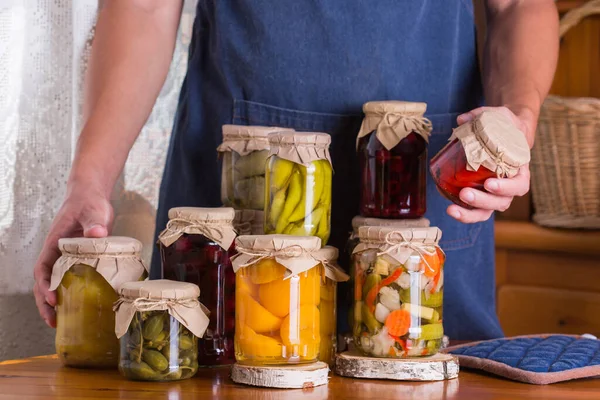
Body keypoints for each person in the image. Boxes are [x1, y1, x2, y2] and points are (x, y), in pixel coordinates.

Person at [33, 0, 558, 341]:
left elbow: (520, 7)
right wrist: (89, 183)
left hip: (424, 196)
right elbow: (145, 8)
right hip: (234, 210)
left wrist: (518, 125)